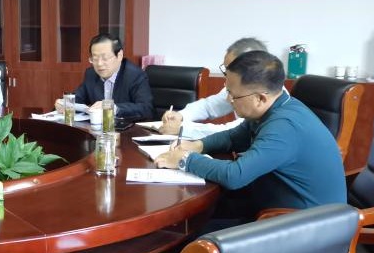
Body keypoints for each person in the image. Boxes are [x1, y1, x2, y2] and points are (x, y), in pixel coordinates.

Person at [156, 50, 345, 223]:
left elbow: (235, 175)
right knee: (200, 218)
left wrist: (184, 160)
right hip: (272, 206)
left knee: (198, 235)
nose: (229, 100)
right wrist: (197, 146)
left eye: (233, 95)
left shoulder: (284, 126)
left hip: (307, 227)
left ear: (260, 98)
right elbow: (233, 137)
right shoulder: (276, 106)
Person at [161, 37, 267, 137]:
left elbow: (235, 131)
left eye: (231, 70)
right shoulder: (236, 87)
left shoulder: (266, 94)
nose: (226, 75)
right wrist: (180, 115)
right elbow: (208, 107)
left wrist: (183, 129)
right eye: (225, 69)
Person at [56, 33, 153, 121]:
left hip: (126, 130)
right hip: (97, 130)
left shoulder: (135, 75)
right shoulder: (91, 74)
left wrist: (113, 107)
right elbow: (78, 98)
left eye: (105, 58)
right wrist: (65, 103)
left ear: (119, 55)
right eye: (94, 58)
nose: (99, 64)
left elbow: (146, 109)